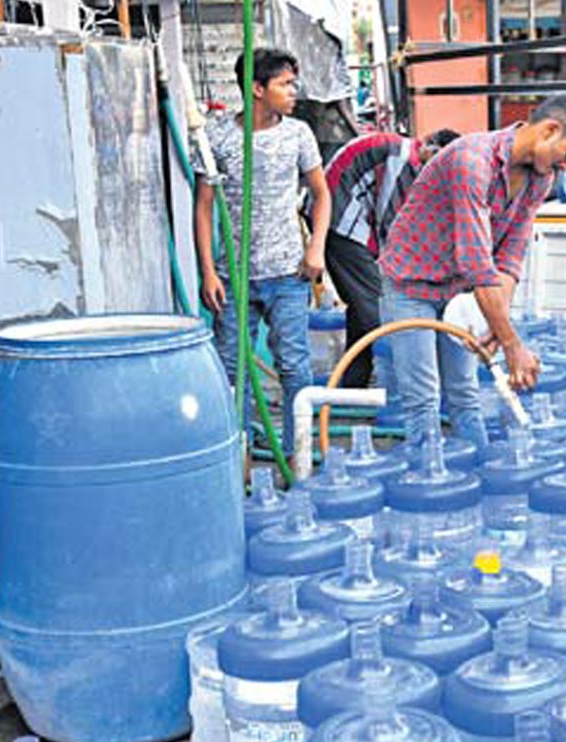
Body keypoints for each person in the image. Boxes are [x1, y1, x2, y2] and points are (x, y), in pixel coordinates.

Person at [380, 93, 566, 449]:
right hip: (410, 285)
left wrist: (495, 327)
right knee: (422, 398)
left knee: (464, 393)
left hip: (457, 290)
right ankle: (429, 486)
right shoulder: (472, 160)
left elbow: (510, 256)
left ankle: (480, 476)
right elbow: (476, 262)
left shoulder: (539, 178)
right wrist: (513, 345)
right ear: (550, 130)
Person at [194, 48, 331, 457]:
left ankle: (298, 455)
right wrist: (208, 272)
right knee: (231, 369)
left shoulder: (298, 134)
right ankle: (239, 457)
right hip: (234, 277)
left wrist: (316, 247)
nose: (294, 91)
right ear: (257, 88)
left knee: (294, 366)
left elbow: (322, 194)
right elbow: (203, 207)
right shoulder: (218, 136)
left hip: (289, 273)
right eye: (285, 84)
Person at [319, 128, 462, 388]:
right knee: (376, 308)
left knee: (363, 306)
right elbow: (390, 221)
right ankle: (400, 385)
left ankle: (353, 384)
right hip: (341, 219)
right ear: (430, 146)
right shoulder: (402, 156)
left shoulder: (411, 160)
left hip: (353, 221)